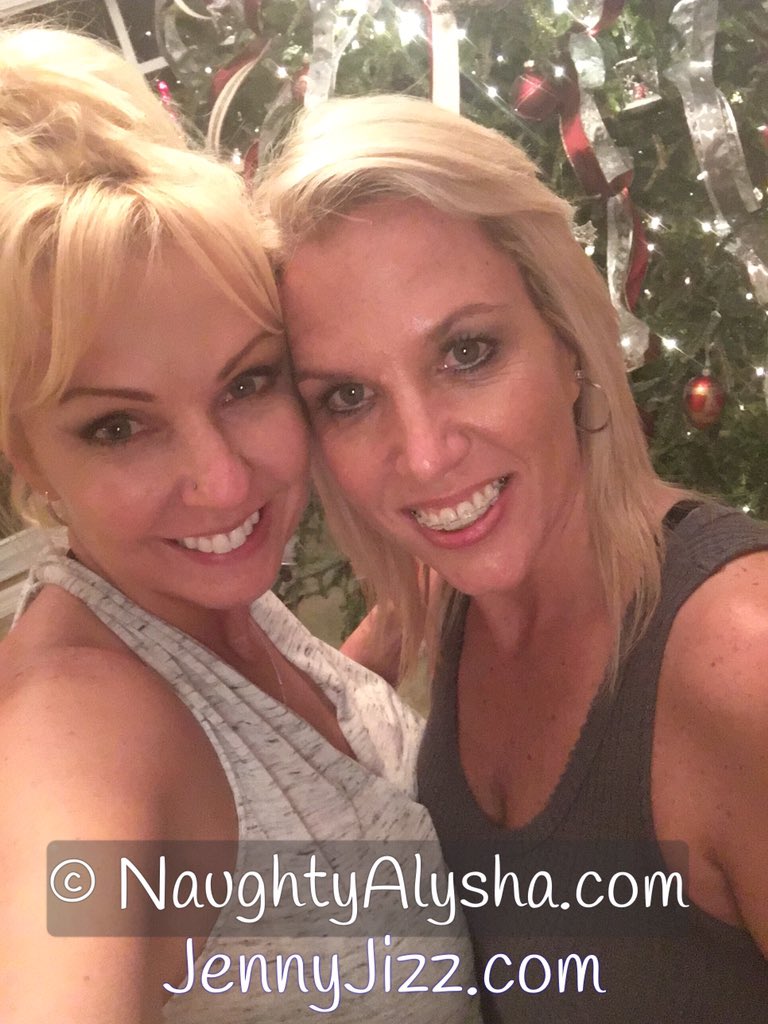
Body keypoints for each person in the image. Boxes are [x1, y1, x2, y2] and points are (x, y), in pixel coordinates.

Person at [0, 32, 481, 1023]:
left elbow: (271, 765)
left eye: (246, 383)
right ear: (27, 456)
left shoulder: (202, 601)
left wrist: (398, 624)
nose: (222, 483)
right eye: (118, 426)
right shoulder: (77, 730)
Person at [257, 93, 768, 1021]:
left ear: (568, 340)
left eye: (467, 352)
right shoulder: (458, 583)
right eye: (349, 398)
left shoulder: (741, 660)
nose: (424, 457)